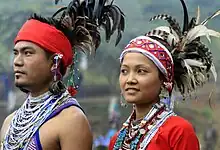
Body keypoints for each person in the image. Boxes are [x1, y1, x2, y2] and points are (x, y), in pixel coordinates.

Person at [0, 0, 125, 149]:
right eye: (16, 53)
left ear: (54, 62)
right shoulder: (10, 122)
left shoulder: (71, 121)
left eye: (27, 53)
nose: (17, 61)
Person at [109, 0, 220, 149]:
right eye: (124, 71)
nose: (130, 79)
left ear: (163, 79)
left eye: (141, 71)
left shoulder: (178, 132)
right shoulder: (117, 140)